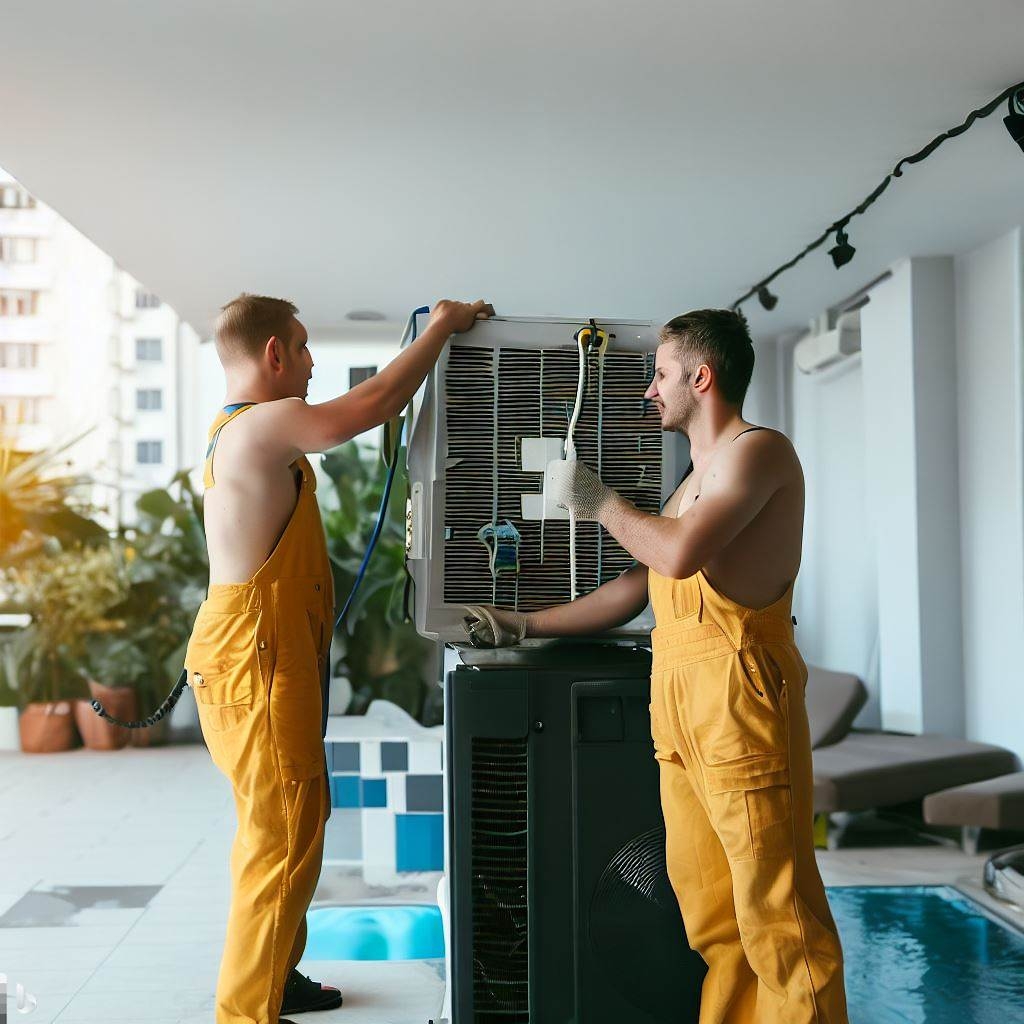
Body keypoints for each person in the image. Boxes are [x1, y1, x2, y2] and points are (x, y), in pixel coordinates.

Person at [464, 308, 849, 1023]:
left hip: (740, 700)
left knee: (778, 916)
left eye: (661, 373)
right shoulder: (693, 481)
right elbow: (634, 589)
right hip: (680, 707)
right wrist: (518, 627)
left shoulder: (758, 453)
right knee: (712, 920)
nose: (649, 389)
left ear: (701, 377)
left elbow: (676, 554)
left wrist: (599, 500)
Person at [185, 294, 492, 1024]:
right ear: (273, 355)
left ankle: (278, 978)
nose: (313, 360)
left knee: (292, 820)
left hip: (259, 650)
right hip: (256, 655)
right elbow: (375, 402)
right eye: (302, 345)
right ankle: (244, 1014)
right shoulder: (263, 423)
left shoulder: (240, 432)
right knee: (279, 837)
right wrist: (444, 327)